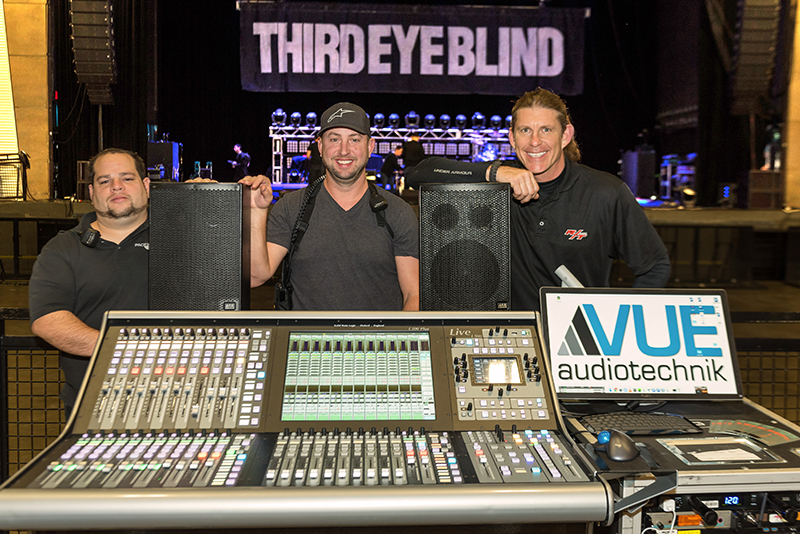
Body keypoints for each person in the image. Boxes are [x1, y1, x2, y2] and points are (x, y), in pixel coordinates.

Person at [406, 88, 670, 311]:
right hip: (510, 341)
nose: (534, 142)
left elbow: (655, 266)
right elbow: (419, 174)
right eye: (524, 130)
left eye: (546, 129)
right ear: (511, 138)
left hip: (578, 344)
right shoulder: (496, 186)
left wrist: (622, 323)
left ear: (565, 135)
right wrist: (494, 171)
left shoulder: (605, 192)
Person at [243, 102, 420, 310]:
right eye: (334, 139)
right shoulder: (291, 208)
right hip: (305, 340)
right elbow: (255, 277)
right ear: (320, 147)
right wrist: (255, 211)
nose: (344, 150)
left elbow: (413, 295)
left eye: (354, 139)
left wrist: (401, 341)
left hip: (376, 340)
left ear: (370, 147)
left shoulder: (397, 212)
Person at [29, 148, 150, 416]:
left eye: (127, 178)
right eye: (104, 181)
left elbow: (253, 274)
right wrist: (138, 350)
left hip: (177, 400)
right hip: (91, 405)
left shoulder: (181, 237)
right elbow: (48, 320)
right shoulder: (62, 249)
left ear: (146, 186)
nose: (116, 186)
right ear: (92, 193)